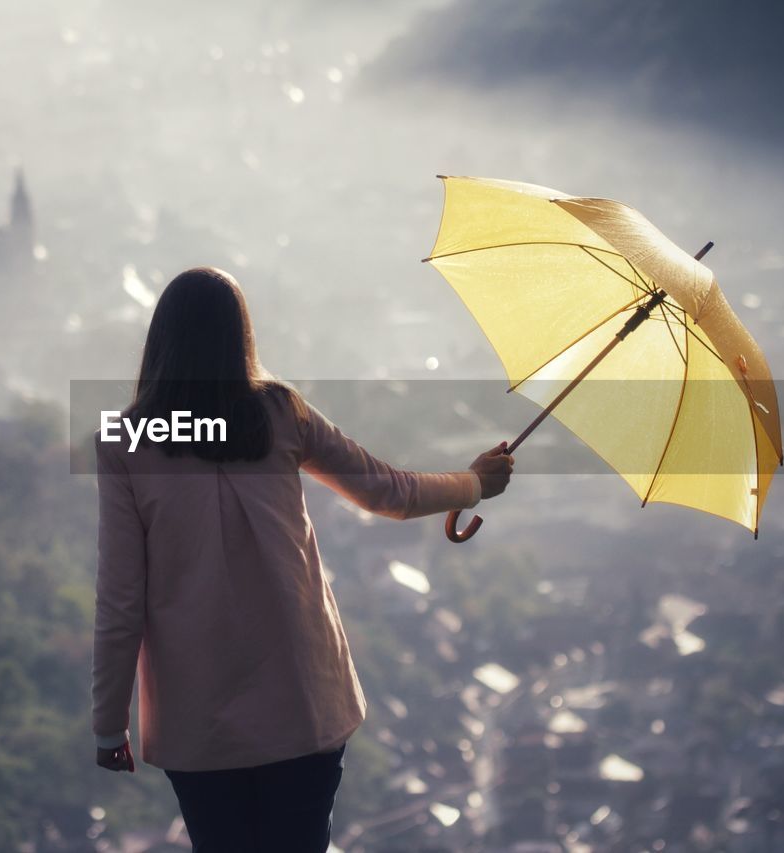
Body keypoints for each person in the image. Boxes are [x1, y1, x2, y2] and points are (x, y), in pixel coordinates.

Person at [92, 266, 513, 852]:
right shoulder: (281, 413)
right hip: (302, 696)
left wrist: (109, 723)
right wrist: (471, 484)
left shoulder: (124, 443)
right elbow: (386, 491)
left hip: (198, 715)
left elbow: (120, 599)